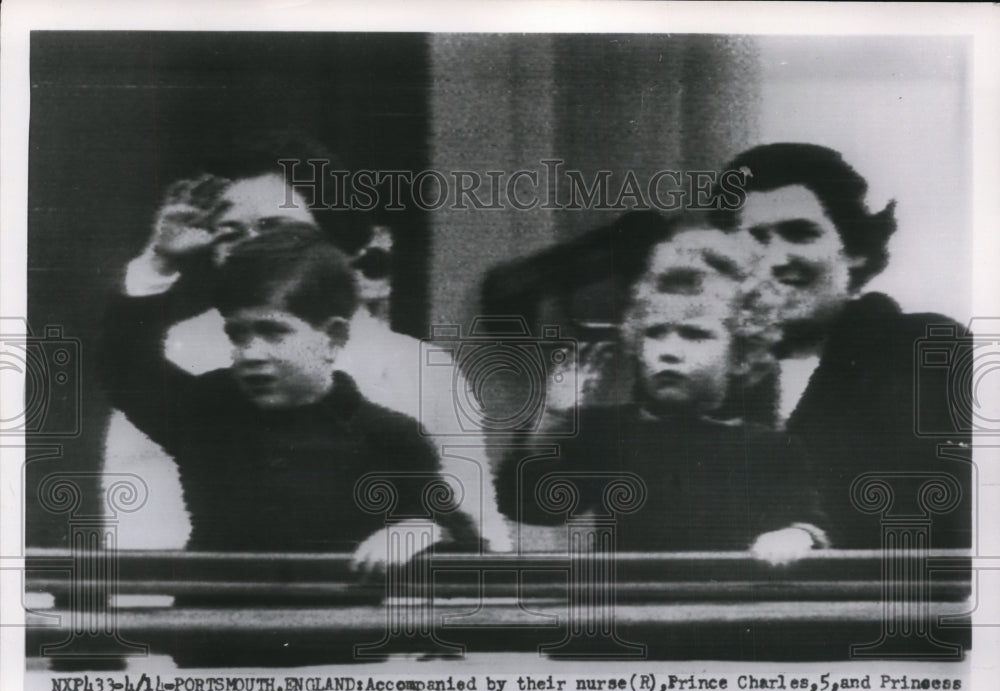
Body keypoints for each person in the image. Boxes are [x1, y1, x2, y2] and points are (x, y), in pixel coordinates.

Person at [100, 220, 479, 566]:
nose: (250, 354)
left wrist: (417, 532)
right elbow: (122, 367)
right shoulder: (208, 410)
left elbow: (465, 542)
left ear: (332, 337)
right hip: (210, 632)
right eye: (238, 334)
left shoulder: (390, 437)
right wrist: (159, 263)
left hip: (332, 637)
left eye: (273, 332)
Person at [495, 227, 827, 564]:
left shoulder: (768, 448)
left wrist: (793, 536)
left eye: (694, 334)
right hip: (625, 607)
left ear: (740, 354)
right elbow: (525, 503)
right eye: (655, 333)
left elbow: (808, 522)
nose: (669, 351)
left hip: (724, 607)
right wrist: (553, 418)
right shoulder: (609, 433)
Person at [710, 143, 971, 548]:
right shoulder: (707, 374)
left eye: (801, 233)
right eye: (755, 239)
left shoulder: (927, 352)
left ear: (856, 250)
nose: (777, 258)